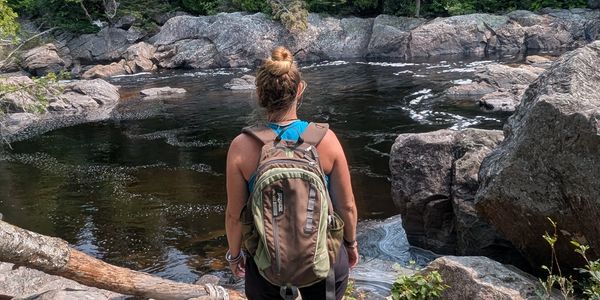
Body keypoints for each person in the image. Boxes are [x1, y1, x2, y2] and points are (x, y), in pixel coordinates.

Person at [225, 46, 359, 300]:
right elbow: (348, 207)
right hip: (324, 261)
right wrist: (350, 245)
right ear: (299, 90)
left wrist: (234, 256)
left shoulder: (241, 146)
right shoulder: (325, 140)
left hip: (268, 266)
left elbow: (234, 216)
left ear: (259, 93)